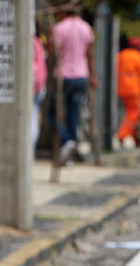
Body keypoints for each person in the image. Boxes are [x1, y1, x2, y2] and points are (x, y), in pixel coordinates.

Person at [49, 7, 96, 165]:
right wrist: (93, 76)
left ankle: (67, 141)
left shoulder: (59, 28)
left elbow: (53, 53)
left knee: (53, 114)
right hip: (81, 77)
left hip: (64, 77)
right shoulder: (86, 27)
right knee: (73, 115)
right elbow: (89, 55)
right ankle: (68, 153)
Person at [116, 36, 140, 149]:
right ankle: (122, 135)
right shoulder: (139, 57)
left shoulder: (121, 55)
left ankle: (137, 140)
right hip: (134, 89)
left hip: (121, 88)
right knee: (133, 114)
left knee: (132, 113)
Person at [32, 31, 47, 149]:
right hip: (39, 85)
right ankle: (32, 148)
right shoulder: (37, 42)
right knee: (34, 116)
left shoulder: (30, 42)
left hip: (31, 85)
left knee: (31, 118)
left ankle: (31, 147)